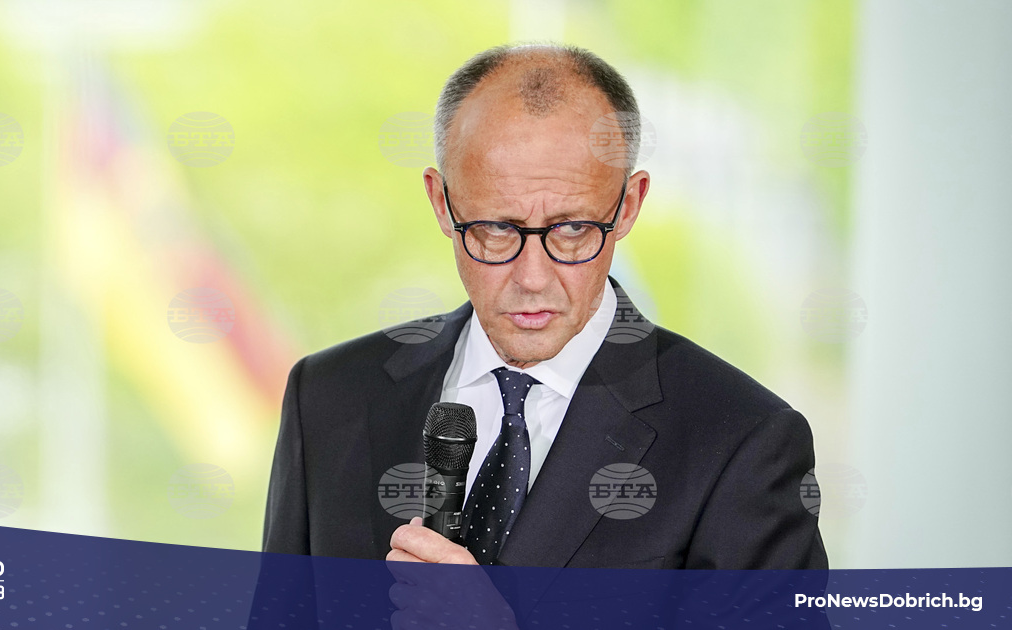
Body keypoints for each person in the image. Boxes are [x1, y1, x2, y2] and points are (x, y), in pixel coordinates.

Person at [262, 43, 828, 570]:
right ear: (440, 202)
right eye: (495, 228)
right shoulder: (327, 397)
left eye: (574, 229)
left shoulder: (743, 442)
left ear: (628, 206)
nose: (532, 279)